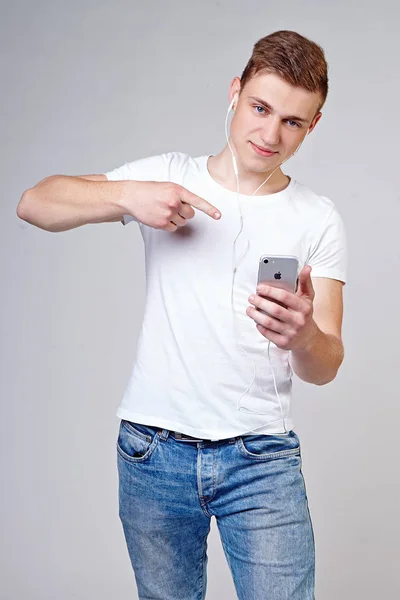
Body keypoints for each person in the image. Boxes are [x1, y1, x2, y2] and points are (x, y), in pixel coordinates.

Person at [17, 29, 347, 600]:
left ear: (312, 126)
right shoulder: (169, 177)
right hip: (152, 454)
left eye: (292, 122)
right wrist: (127, 195)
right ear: (235, 91)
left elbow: (325, 366)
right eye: (259, 107)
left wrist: (303, 335)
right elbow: (35, 203)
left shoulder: (318, 218)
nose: (270, 133)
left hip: (260, 461)